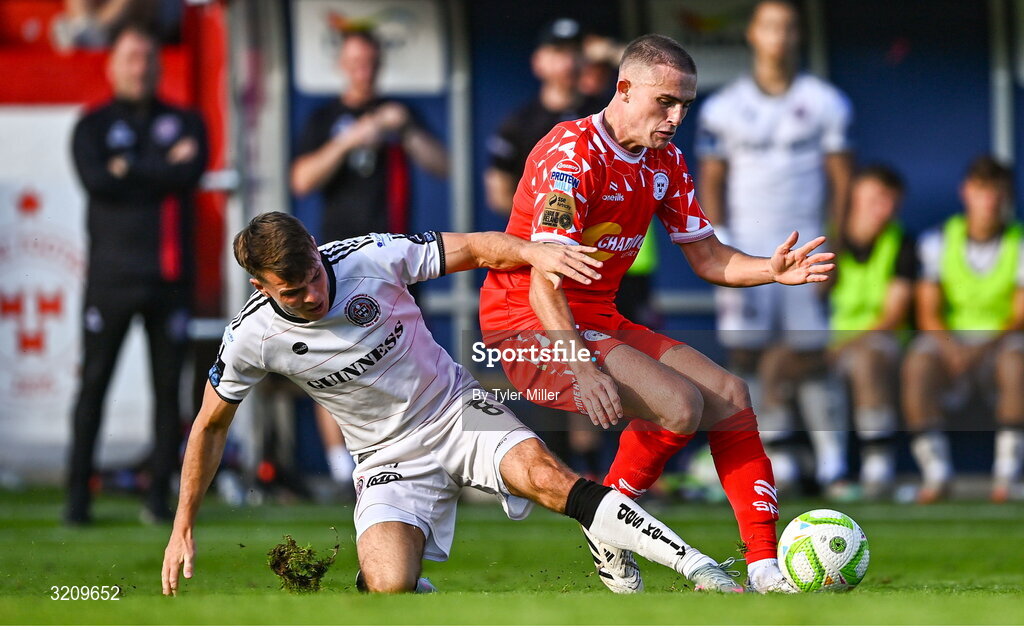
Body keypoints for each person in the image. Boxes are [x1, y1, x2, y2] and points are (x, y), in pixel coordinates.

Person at [161, 212, 746, 595]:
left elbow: (477, 248)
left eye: (314, 273)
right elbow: (210, 427)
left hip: (454, 407)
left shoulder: (368, 257)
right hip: (385, 457)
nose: (315, 293)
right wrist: (184, 520)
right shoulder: (250, 337)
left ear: (317, 249)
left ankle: (700, 569)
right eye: (294, 291)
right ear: (262, 287)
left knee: (546, 477)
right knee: (388, 586)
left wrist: (535, 254)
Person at [478, 33, 834, 595]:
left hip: (598, 316)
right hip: (528, 323)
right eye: (664, 102)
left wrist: (772, 267)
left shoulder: (663, 160)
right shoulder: (572, 157)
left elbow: (710, 257)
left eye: (684, 105)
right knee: (680, 405)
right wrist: (582, 366)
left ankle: (764, 567)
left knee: (732, 396)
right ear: (623, 89)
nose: (675, 117)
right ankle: (608, 532)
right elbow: (543, 283)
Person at [695, 0, 854, 496]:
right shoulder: (723, 108)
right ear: (753, 34)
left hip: (808, 242)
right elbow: (712, 179)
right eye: (770, 27)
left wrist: (841, 241)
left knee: (810, 351)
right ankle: (775, 456)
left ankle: (833, 462)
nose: (779, 37)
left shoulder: (825, 101)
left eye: (787, 27)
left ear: (798, 35)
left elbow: (841, 178)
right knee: (746, 351)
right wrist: (716, 241)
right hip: (744, 247)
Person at [290, 29, 448, 490]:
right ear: (343, 64)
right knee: (333, 358)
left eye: (370, 63)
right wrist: (350, 140)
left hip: (397, 257)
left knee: (408, 352)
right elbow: (301, 179)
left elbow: (442, 164)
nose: (363, 71)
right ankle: (343, 469)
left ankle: (413, 459)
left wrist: (406, 130)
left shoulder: (400, 112)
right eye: (355, 62)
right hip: (338, 260)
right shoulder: (326, 117)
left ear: (379, 65)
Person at [66, 25, 208, 525]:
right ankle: (77, 501)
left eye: (147, 57)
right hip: (110, 278)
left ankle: (158, 500)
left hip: (169, 278)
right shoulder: (93, 125)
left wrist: (131, 169)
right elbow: (96, 180)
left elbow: (189, 172)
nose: (139, 66)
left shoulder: (186, 120)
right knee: (93, 387)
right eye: (129, 57)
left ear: (158, 64)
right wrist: (160, 168)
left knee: (169, 393)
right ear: (112, 65)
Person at [902, 156, 1024, 504]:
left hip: (1000, 342)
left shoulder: (1019, 242)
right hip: (950, 342)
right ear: (966, 193)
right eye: (981, 191)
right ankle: (936, 473)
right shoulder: (938, 240)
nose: (989, 202)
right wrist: (952, 347)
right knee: (919, 361)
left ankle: (1006, 473)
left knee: (1018, 358)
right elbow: (927, 312)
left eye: (997, 193)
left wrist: (980, 350)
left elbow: (1019, 316)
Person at [830, 166, 916, 500]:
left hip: (880, 345)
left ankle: (877, 460)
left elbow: (893, 315)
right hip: (825, 346)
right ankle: (800, 463)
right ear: (855, 198)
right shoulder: (828, 239)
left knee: (867, 357)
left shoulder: (901, 242)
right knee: (781, 358)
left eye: (890, 201)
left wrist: (842, 347)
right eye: (874, 199)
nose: (883, 209)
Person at [484, 18, 604, 215]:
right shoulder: (518, 124)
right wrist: (553, 221)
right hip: (541, 237)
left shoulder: (606, 114)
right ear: (538, 61)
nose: (569, 62)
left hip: (606, 233)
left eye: (576, 51)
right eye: (559, 52)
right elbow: (499, 193)